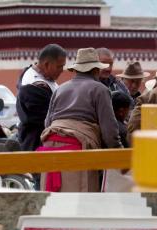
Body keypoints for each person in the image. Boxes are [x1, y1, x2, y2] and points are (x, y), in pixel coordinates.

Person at [39, 47, 123, 192]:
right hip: (79, 147)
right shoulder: (100, 89)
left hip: (50, 147)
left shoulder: (60, 89)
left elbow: (47, 123)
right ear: (96, 70)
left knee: (53, 203)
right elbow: (109, 130)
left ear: (76, 70)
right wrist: (119, 153)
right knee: (80, 203)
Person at [16, 44, 67, 153]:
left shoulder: (45, 77)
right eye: (59, 66)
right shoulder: (34, 86)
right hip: (36, 143)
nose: (62, 70)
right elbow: (48, 120)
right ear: (47, 64)